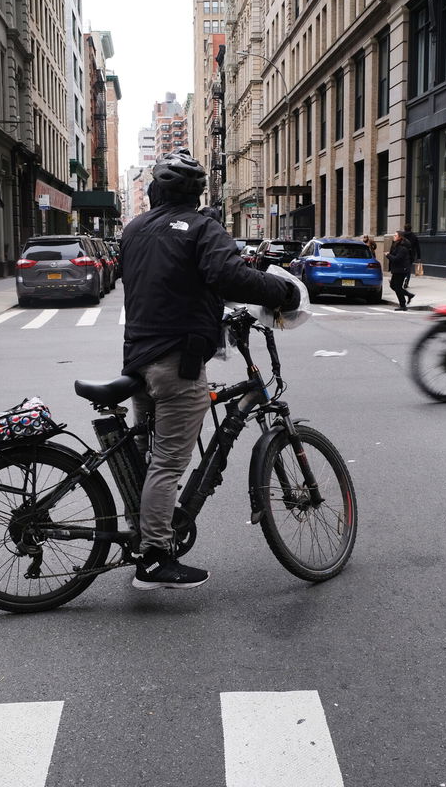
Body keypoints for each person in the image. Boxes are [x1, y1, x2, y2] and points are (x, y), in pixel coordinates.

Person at [120, 148, 299, 590]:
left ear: (156, 191)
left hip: (137, 360)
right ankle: (155, 557)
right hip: (175, 361)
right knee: (167, 461)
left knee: (146, 456)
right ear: (198, 193)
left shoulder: (135, 228)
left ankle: (141, 532)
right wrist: (283, 292)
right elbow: (231, 276)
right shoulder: (202, 227)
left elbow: (164, 282)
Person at [386, 230, 415, 310]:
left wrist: (388, 255)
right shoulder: (397, 245)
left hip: (401, 270)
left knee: (398, 288)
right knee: (393, 285)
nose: (393, 237)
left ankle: (403, 305)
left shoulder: (402, 248)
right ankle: (408, 295)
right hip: (397, 270)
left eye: (395, 235)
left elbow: (396, 259)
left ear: (400, 237)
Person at [401, 225, 422, 290]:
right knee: (408, 268)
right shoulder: (414, 236)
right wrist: (419, 257)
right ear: (411, 228)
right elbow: (417, 247)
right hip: (411, 255)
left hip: (402, 254)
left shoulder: (401, 236)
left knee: (402, 268)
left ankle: (401, 280)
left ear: (404, 228)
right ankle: (406, 282)